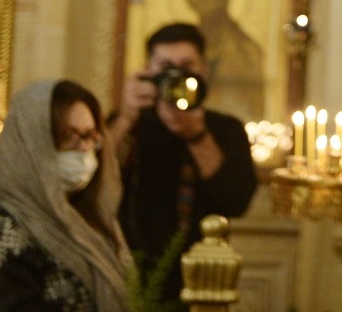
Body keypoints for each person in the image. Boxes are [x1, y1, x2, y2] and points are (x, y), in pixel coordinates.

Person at [107, 22, 256, 295]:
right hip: (125, 274)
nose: (176, 76)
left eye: (186, 67)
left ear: (204, 71)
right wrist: (126, 118)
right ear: (148, 72)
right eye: (165, 68)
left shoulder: (225, 129)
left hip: (200, 279)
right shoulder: (128, 125)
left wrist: (197, 135)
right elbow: (91, 181)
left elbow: (237, 201)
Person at [0, 80, 129, 311]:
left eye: (89, 135)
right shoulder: (1, 231)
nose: (83, 149)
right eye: (67, 137)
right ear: (30, 143)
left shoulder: (93, 223)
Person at [186, 0, 266, 120]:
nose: (201, 8)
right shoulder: (187, 46)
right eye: (195, 2)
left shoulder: (245, 48)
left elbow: (255, 102)